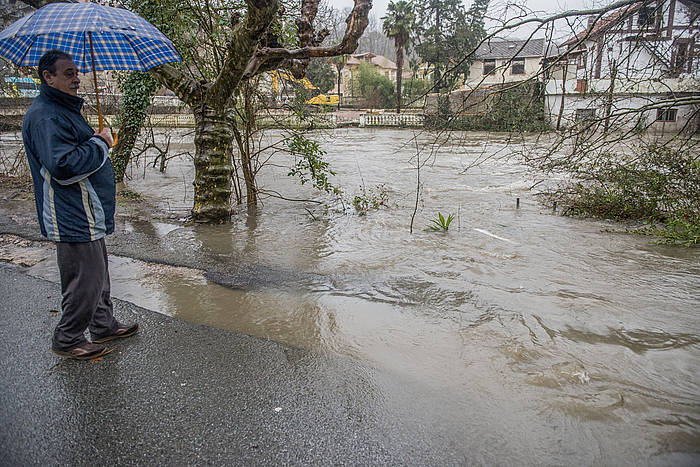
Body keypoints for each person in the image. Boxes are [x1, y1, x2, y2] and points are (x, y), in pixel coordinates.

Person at [22, 50, 138, 360]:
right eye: (68, 73)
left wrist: (96, 138)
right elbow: (63, 165)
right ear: (48, 77)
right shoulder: (46, 115)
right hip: (70, 211)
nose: (76, 78)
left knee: (98, 272)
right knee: (85, 277)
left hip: (87, 208)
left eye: (77, 72)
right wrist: (101, 142)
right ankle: (68, 336)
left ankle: (102, 324)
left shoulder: (62, 109)